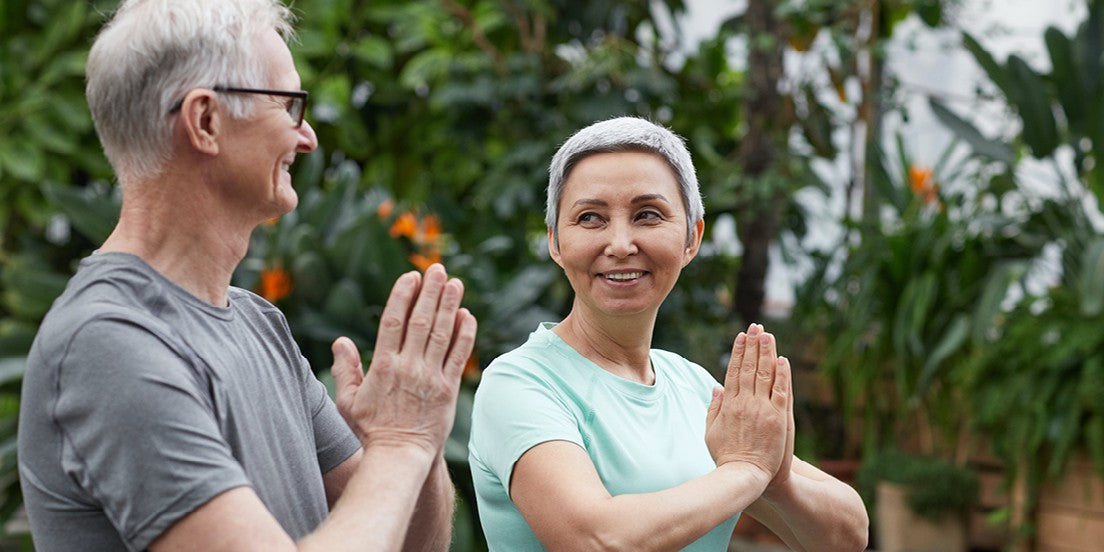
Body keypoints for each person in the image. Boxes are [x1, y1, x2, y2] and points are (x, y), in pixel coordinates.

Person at [16, 1, 477, 550]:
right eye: (289, 106)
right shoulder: (106, 342)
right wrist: (402, 443)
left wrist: (410, 447)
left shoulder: (260, 324)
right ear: (206, 121)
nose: (306, 138)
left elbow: (405, 544)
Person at [468, 117, 868, 551]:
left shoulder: (692, 386)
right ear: (556, 243)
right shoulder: (520, 383)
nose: (620, 244)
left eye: (647, 215)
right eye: (590, 218)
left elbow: (848, 536)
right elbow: (596, 539)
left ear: (691, 238)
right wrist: (745, 472)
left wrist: (778, 479)